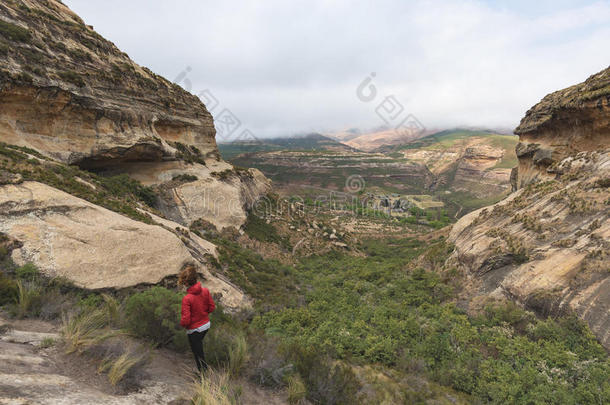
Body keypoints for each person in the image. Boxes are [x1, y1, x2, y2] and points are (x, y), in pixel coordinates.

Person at [179, 264, 215, 372]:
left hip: (195, 329)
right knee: (199, 350)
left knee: (198, 354)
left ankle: (203, 377)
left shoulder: (187, 298)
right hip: (206, 325)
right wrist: (203, 313)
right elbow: (212, 307)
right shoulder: (205, 291)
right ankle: (203, 373)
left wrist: (182, 325)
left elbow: (186, 319)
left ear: (186, 283)